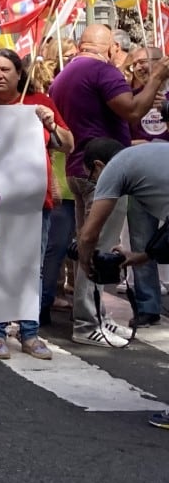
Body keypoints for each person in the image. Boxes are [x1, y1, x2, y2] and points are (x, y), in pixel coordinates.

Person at [50, 24, 169, 346]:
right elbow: (133, 112)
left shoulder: (66, 73)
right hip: (105, 173)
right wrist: (157, 77)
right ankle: (87, 323)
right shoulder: (103, 71)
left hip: (79, 169)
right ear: (112, 48)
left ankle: (97, 316)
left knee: (89, 244)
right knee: (99, 247)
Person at [0, 49, 73, 359]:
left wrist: (51, 124)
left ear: (18, 74)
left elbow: (68, 145)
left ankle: (30, 333)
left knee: (32, 269)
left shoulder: (38, 103)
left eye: (4, 69)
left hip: (33, 202)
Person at [75, 136, 169, 429]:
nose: (94, 182)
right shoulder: (148, 154)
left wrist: (84, 260)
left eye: (92, 176)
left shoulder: (114, 169)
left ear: (98, 165)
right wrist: (139, 257)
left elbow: (90, 234)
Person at [119, 46, 167, 323]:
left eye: (147, 61)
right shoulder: (130, 99)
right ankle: (148, 306)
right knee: (141, 240)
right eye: (136, 63)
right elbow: (122, 135)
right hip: (142, 179)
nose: (142, 67)